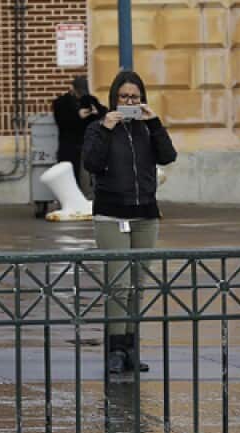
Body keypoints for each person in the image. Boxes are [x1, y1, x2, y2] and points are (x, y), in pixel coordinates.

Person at [81, 70, 178, 375]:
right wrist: (107, 129)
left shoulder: (147, 129)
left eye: (135, 97)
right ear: (113, 99)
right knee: (118, 285)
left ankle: (132, 348)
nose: (129, 102)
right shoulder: (98, 127)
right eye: (124, 97)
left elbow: (168, 156)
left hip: (145, 215)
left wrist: (155, 122)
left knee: (138, 286)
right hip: (111, 214)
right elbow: (91, 163)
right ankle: (115, 349)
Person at [51, 76, 106, 193]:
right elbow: (62, 122)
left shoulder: (89, 100)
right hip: (69, 146)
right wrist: (78, 116)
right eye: (79, 92)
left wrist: (96, 112)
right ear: (72, 89)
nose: (81, 95)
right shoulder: (61, 103)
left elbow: (103, 112)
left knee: (86, 180)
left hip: (86, 145)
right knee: (69, 179)